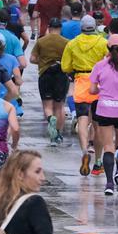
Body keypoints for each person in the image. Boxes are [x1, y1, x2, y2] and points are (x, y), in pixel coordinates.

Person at [89, 34, 118, 197]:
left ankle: (109, 184)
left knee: (108, 146)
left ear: (108, 48)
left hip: (104, 110)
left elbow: (92, 90)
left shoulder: (100, 66)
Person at [61, 14, 109, 177]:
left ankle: (84, 150)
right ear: (94, 27)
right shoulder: (103, 42)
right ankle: (98, 161)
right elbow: (109, 62)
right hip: (98, 85)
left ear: (81, 28)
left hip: (81, 83)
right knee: (97, 125)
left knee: (82, 119)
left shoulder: (72, 43)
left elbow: (65, 67)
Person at [32, 17, 70, 146]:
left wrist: (43, 61)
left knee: (47, 106)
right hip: (61, 74)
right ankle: (58, 134)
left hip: (45, 74)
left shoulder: (41, 41)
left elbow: (32, 59)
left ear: (49, 28)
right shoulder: (66, 42)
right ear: (60, 28)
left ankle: (50, 118)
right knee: (60, 106)